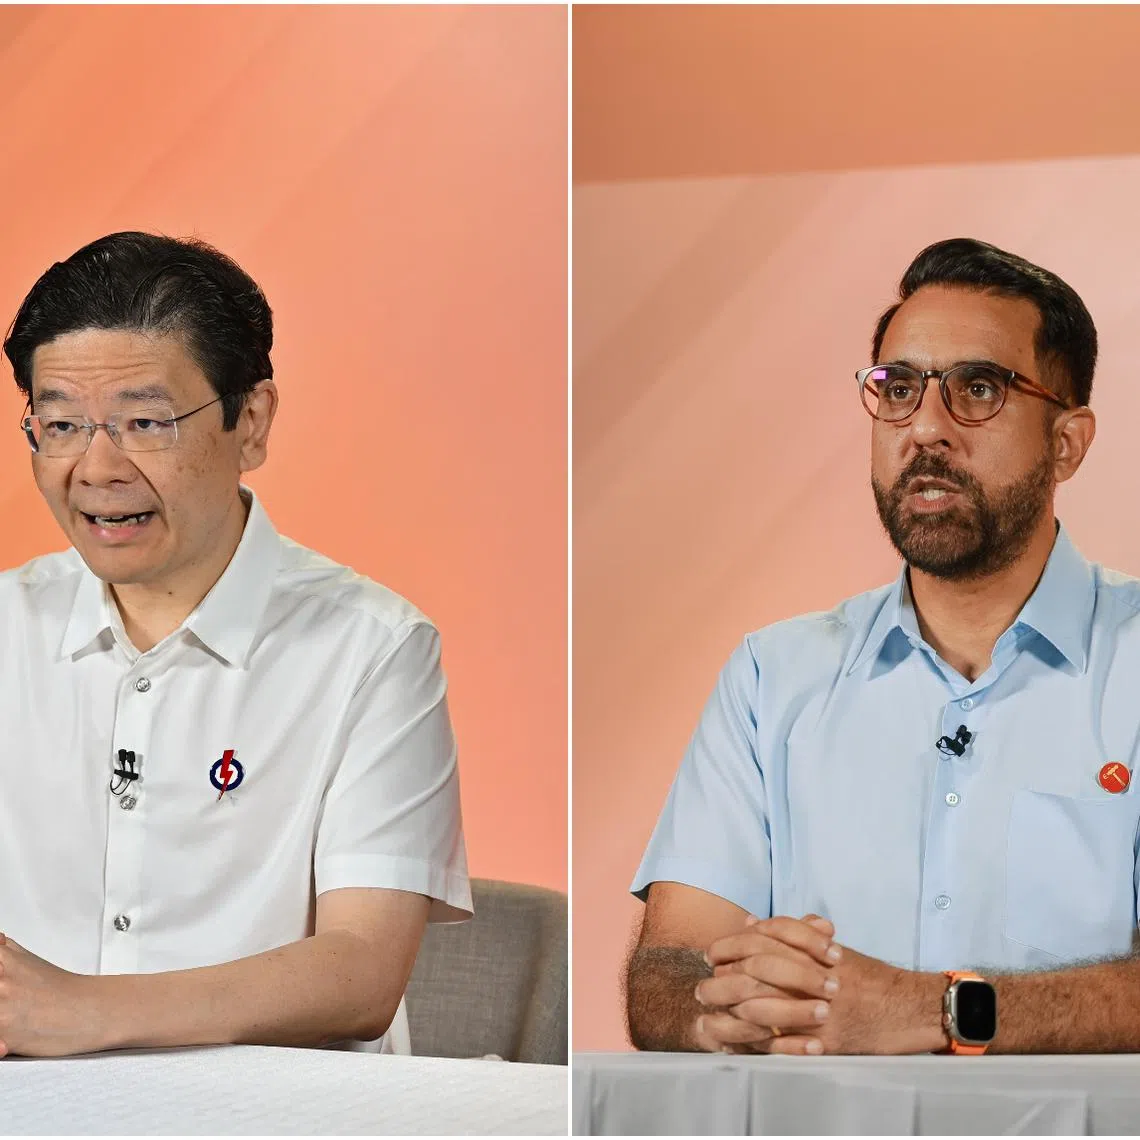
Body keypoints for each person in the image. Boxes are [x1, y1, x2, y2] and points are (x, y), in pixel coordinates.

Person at [625, 237, 1140, 1056]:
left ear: (1068, 443)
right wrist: (720, 1004)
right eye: (898, 389)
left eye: (978, 388)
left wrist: (936, 1010)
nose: (925, 429)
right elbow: (669, 968)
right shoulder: (773, 677)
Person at [0, 232, 471, 1058]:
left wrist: (85, 1013)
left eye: (144, 422)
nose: (95, 467)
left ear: (249, 421)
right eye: (62, 424)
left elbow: (362, 970)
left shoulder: (371, 646)